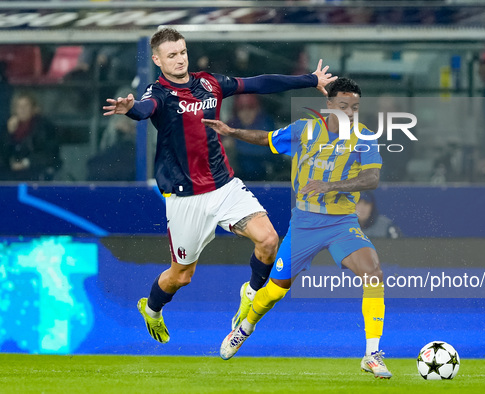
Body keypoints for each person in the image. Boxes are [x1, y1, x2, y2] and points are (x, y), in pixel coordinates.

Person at [102, 27, 336, 345]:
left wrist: (310, 79)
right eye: (171, 55)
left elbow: (258, 83)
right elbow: (144, 111)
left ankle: (250, 294)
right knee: (181, 276)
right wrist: (129, 109)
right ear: (157, 60)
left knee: (268, 240)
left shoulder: (209, 84)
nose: (180, 59)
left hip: (223, 186)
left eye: (182, 52)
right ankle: (153, 309)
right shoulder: (157, 93)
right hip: (186, 198)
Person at [203, 77, 392, 379]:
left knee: (373, 273)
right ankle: (245, 328)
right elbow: (266, 138)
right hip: (304, 223)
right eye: (343, 106)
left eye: (355, 107)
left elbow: (372, 179)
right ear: (329, 105)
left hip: (342, 223)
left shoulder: (365, 138)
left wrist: (331, 185)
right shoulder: (306, 130)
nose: (350, 112)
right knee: (275, 292)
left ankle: (371, 354)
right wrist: (232, 131)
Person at [1, 93, 61, 181]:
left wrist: (26, 163)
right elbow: (3, 155)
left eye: (26, 106)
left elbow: (49, 154)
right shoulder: (6, 129)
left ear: (33, 109)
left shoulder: (44, 127)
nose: (22, 110)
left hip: (36, 173)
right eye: (19, 106)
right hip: (11, 175)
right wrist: (9, 134)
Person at [226, 95, 287, 181]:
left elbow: (266, 150)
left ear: (257, 109)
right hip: (238, 179)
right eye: (241, 109)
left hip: (265, 178)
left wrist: (235, 144)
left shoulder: (267, 124)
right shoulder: (230, 126)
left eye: (250, 108)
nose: (246, 113)